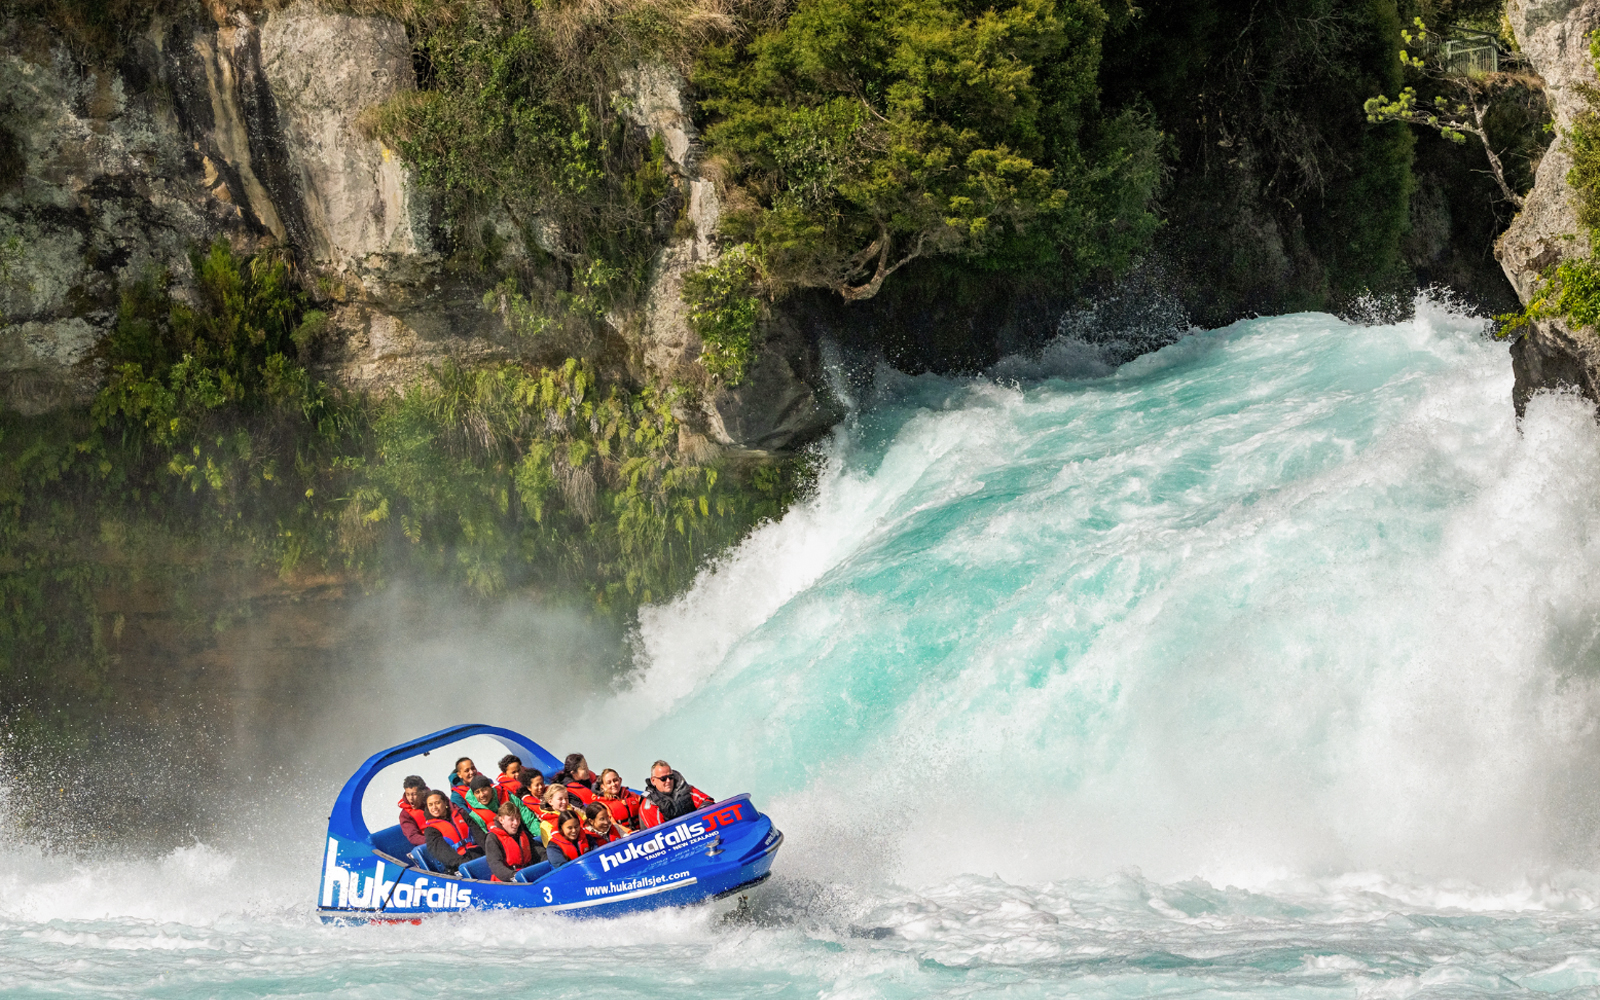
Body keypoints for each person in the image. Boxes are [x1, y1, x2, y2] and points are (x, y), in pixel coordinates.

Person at [420, 789, 483, 873]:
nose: (434, 807)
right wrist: (465, 863)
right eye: (430, 805)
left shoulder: (462, 815)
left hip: (477, 854)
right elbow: (444, 854)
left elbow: (479, 835)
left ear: (445, 803)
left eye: (437, 803)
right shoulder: (431, 830)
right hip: (457, 866)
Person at [639, 760, 713, 829]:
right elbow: (659, 833)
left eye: (671, 777)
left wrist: (698, 817)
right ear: (653, 780)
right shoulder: (649, 805)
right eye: (663, 778)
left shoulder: (686, 789)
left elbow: (708, 801)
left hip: (698, 829)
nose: (668, 781)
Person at [482, 801, 545, 882]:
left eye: (518, 819)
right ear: (501, 820)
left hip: (526, 874)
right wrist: (513, 876)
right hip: (507, 881)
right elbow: (495, 865)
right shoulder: (492, 838)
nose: (516, 823)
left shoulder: (523, 834)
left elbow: (538, 851)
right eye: (511, 819)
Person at [593, 768, 642, 835]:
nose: (613, 784)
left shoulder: (633, 796)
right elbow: (612, 824)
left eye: (615, 780)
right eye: (609, 782)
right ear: (603, 786)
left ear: (620, 780)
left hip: (643, 832)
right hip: (624, 838)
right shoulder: (603, 805)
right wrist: (629, 833)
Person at [459, 775, 502, 844]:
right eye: (477, 792)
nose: (482, 795)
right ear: (474, 795)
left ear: (490, 788)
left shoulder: (505, 797)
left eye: (484, 790)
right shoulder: (475, 816)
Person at [397, 775, 429, 846]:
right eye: (408, 794)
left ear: (423, 793)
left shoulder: (437, 800)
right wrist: (435, 841)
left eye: (414, 794)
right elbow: (413, 836)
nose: (410, 798)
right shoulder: (405, 815)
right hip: (431, 845)